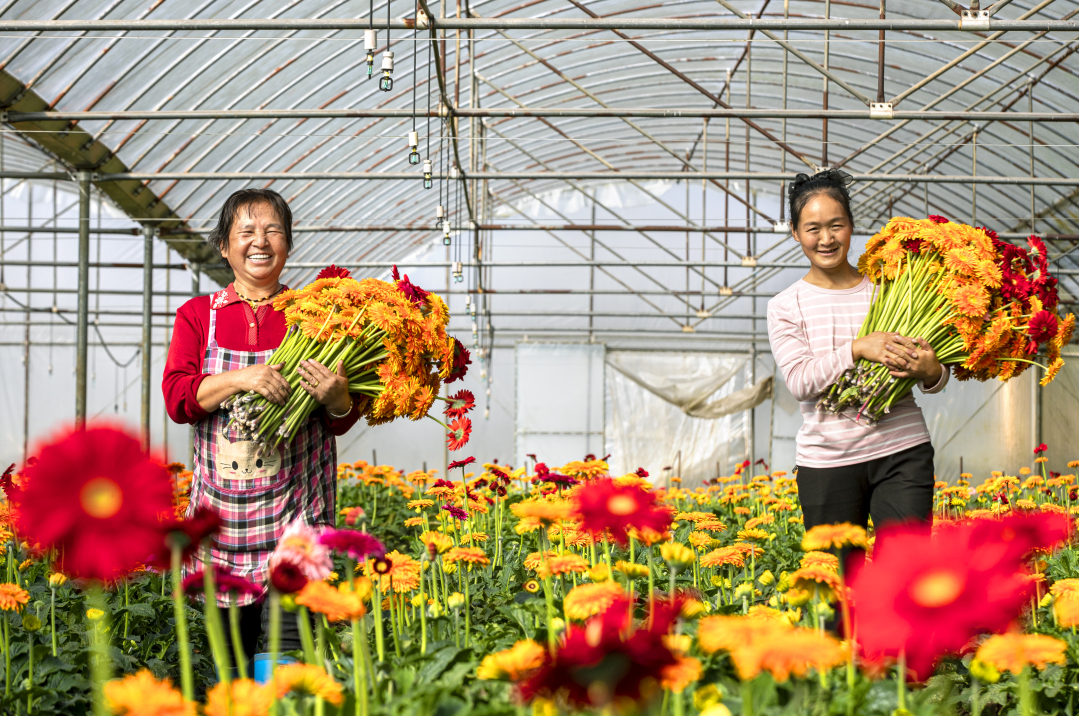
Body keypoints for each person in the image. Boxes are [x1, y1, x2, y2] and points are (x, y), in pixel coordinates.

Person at [162, 188, 361, 669]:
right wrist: (238, 379)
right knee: (231, 674)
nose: (260, 242)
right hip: (222, 532)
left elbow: (341, 420)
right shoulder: (197, 316)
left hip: (295, 521)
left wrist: (339, 400)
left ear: (288, 244)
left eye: (272, 230)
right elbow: (177, 399)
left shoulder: (317, 316)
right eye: (246, 231)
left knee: (284, 668)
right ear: (225, 246)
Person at [766, 170, 948, 532]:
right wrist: (858, 348)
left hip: (903, 450)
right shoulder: (786, 305)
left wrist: (931, 371)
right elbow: (801, 382)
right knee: (833, 579)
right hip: (827, 460)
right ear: (795, 232)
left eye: (837, 225)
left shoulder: (891, 290)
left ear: (851, 225)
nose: (826, 239)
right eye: (813, 228)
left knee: (902, 574)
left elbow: (935, 374)